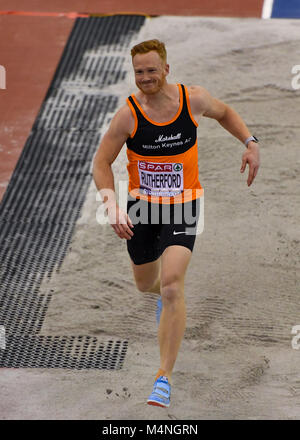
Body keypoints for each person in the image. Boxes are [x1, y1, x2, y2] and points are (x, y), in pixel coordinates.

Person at [92, 39, 260, 408]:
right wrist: (112, 204)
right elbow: (101, 163)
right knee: (147, 285)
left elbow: (226, 112)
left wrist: (249, 141)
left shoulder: (193, 100)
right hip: (142, 210)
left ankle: (163, 377)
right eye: (139, 72)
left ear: (166, 69)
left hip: (183, 206)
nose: (146, 78)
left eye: (152, 70)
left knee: (171, 287)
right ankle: (168, 304)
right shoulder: (129, 115)